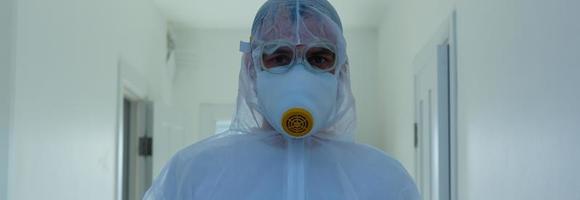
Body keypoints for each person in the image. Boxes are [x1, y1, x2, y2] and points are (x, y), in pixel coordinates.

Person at [144, 0, 420, 199]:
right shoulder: (192, 173)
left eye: (318, 58)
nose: (299, 74)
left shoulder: (386, 181)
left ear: (340, 71)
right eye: (279, 57)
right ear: (252, 69)